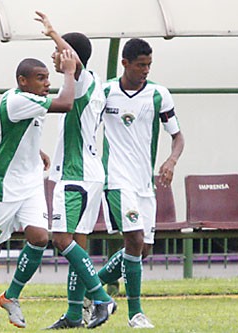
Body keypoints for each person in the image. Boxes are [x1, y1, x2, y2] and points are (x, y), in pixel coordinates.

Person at [0, 51, 78, 331]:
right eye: (40, 78)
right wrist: (69, 71)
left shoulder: (30, 100)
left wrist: (37, 151)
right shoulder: (17, 100)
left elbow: (15, 134)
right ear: (22, 81)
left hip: (30, 183)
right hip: (2, 186)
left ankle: (11, 296)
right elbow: (66, 103)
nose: (47, 83)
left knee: (40, 237)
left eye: (48, 77)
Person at [91, 38, 185, 329]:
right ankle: (136, 313)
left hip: (144, 183)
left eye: (149, 65)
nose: (145, 70)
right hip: (116, 179)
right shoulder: (105, 92)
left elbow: (178, 136)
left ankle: (89, 287)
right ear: (125, 64)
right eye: (140, 65)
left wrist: (170, 161)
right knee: (133, 239)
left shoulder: (159, 94)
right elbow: (84, 129)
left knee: (141, 249)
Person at [34, 11, 116, 330]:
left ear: (69, 56)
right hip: (86, 175)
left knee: (62, 239)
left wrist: (54, 32)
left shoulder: (81, 80)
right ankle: (73, 315)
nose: (53, 57)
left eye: (57, 52)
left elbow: (74, 65)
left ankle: (100, 298)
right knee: (76, 246)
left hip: (77, 176)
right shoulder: (90, 83)